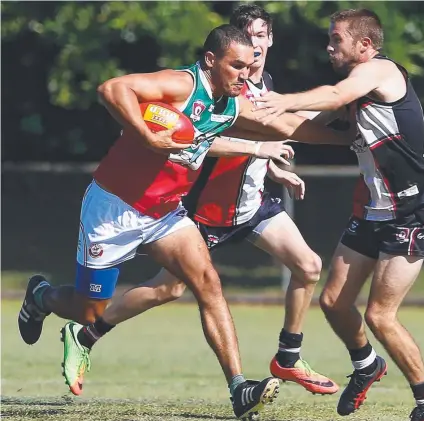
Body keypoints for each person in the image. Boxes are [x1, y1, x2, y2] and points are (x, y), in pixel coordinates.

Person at [18, 24, 349, 420]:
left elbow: (283, 126)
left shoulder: (231, 102)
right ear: (211, 61)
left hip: (164, 213)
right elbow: (111, 88)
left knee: (208, 284)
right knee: (88, 310)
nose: (244, 75)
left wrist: (349, 141)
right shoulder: (180, 84)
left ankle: (239, 389)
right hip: (113, 210)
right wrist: (146, 135)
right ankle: (40, 296)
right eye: (236, 66)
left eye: (248, 67)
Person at [254, 8, 424, 421]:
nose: (329, 47)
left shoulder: (378, 72)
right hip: (373, 212)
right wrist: (247, 122)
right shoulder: (353, 88)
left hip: (410, 212)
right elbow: (305, 122)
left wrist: (283, 100)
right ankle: (367, 365)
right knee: (333, 302)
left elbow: (332, 97)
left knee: (380, 315)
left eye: (336, 39)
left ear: (364, 46)